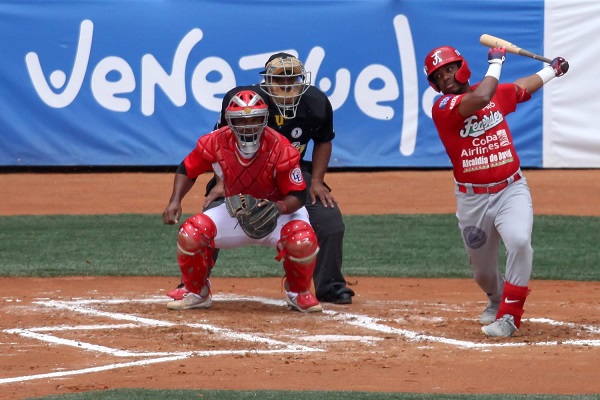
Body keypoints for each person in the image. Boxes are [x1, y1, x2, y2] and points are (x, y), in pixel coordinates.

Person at [168, 52, 354, 304]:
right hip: (237, 174)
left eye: (294, 79)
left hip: (290, 171)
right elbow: (221, 144)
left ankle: (329, 286)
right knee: (205, 220)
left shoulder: (316, 101)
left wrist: (318, 181)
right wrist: (221, 183)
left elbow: (323, 141)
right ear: (267, 81)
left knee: (328, 218)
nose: (288, 86)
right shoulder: (245, 102)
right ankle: (193, 285)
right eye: (280, 80)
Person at [423, 45, 569, 337]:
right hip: (472, 199)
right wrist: (496, 61)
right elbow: (481, 97)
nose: (446, 78)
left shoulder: (492, 93)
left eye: (450, 69)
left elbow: (521, 88)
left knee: (519, 241)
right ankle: (495, 297)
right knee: (483, 272)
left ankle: (510, 317)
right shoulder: (443, 108)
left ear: (462, 66)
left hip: (511, 189)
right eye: (439, 76)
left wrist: (553, 70)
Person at [162, 89, 322, 313]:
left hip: (278, 213)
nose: (249, 125)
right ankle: (197, 291)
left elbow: (297, 195)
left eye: (255, 119)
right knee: (192, 233)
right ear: (229, 122)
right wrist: (175, 201)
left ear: (265, 119)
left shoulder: (281, 147)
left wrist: (277, 208)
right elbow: (187, 169)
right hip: (237, 209)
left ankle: (298, 292)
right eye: (242, 120)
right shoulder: (215, 142)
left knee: (302, 239)